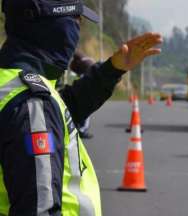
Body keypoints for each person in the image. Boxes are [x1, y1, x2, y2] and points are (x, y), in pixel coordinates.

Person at [0, 0, 162, 215]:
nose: (78, 30)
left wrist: (112, 69)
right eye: (76, 20)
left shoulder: (12, 84)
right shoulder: (33, 104)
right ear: (51, 25)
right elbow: (40, 209)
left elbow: (65, 108)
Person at [69, 51, 96, 139]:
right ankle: (82, 130)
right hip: (86, 83)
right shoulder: (86, 62)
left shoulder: (84, 62)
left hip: (85, 82)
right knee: (86, 108)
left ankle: (78, 128)